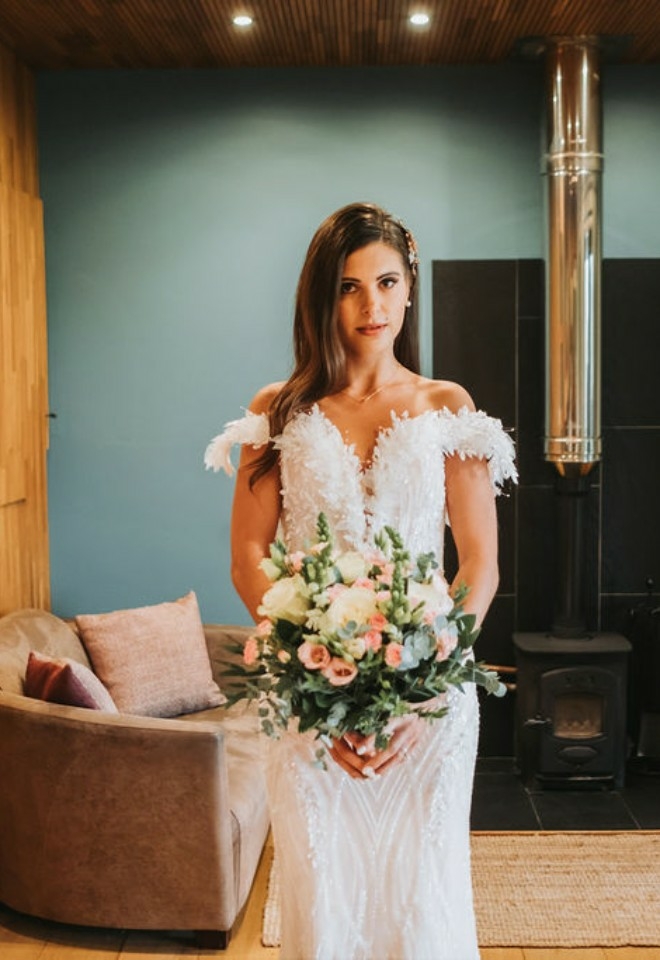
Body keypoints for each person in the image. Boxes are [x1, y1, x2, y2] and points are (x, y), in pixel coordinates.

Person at [205, 202, 517, 960]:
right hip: (309, 705)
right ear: (323, 296)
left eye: (386, 282)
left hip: (430, 702)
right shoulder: (277, 411)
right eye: (349, 287)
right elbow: (248, 557)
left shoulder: (448, 407)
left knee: (421, 899)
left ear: (409, 288)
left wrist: (425, 685)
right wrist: (319, 689)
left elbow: (478, 563)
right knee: (326, 900)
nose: (371, 305)